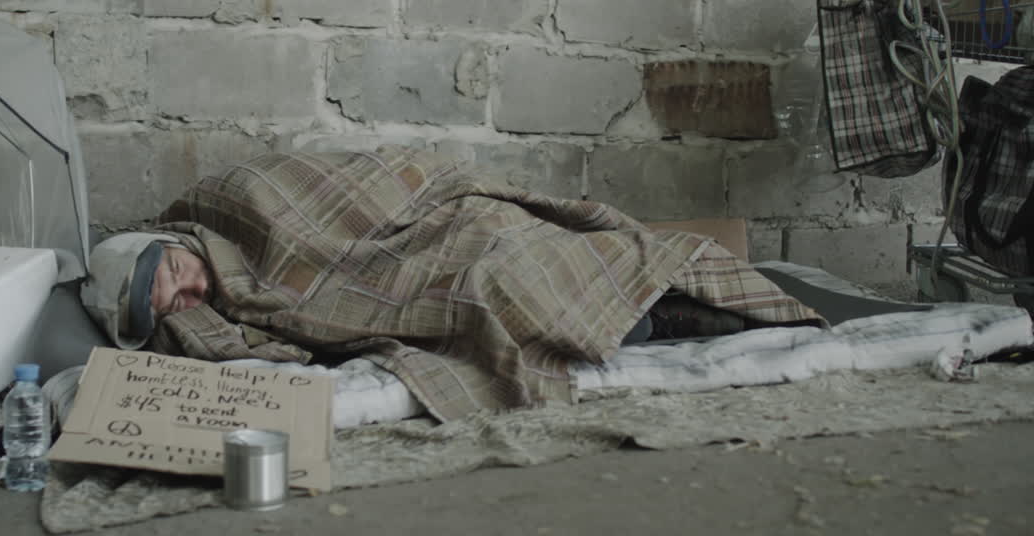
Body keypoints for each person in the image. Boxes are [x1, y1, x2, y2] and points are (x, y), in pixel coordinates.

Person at [80, 147, 823, 421]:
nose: (190, 297)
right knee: (487, 297)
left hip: (439, 223)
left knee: (510, 255)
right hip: (410, 279)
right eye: (171, 305)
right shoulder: (200, 305)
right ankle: (662, 321)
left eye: (176, 277)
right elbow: (282, 324)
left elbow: (367, 189)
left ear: (168, 243)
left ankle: (675, 298)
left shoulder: (232, 198)